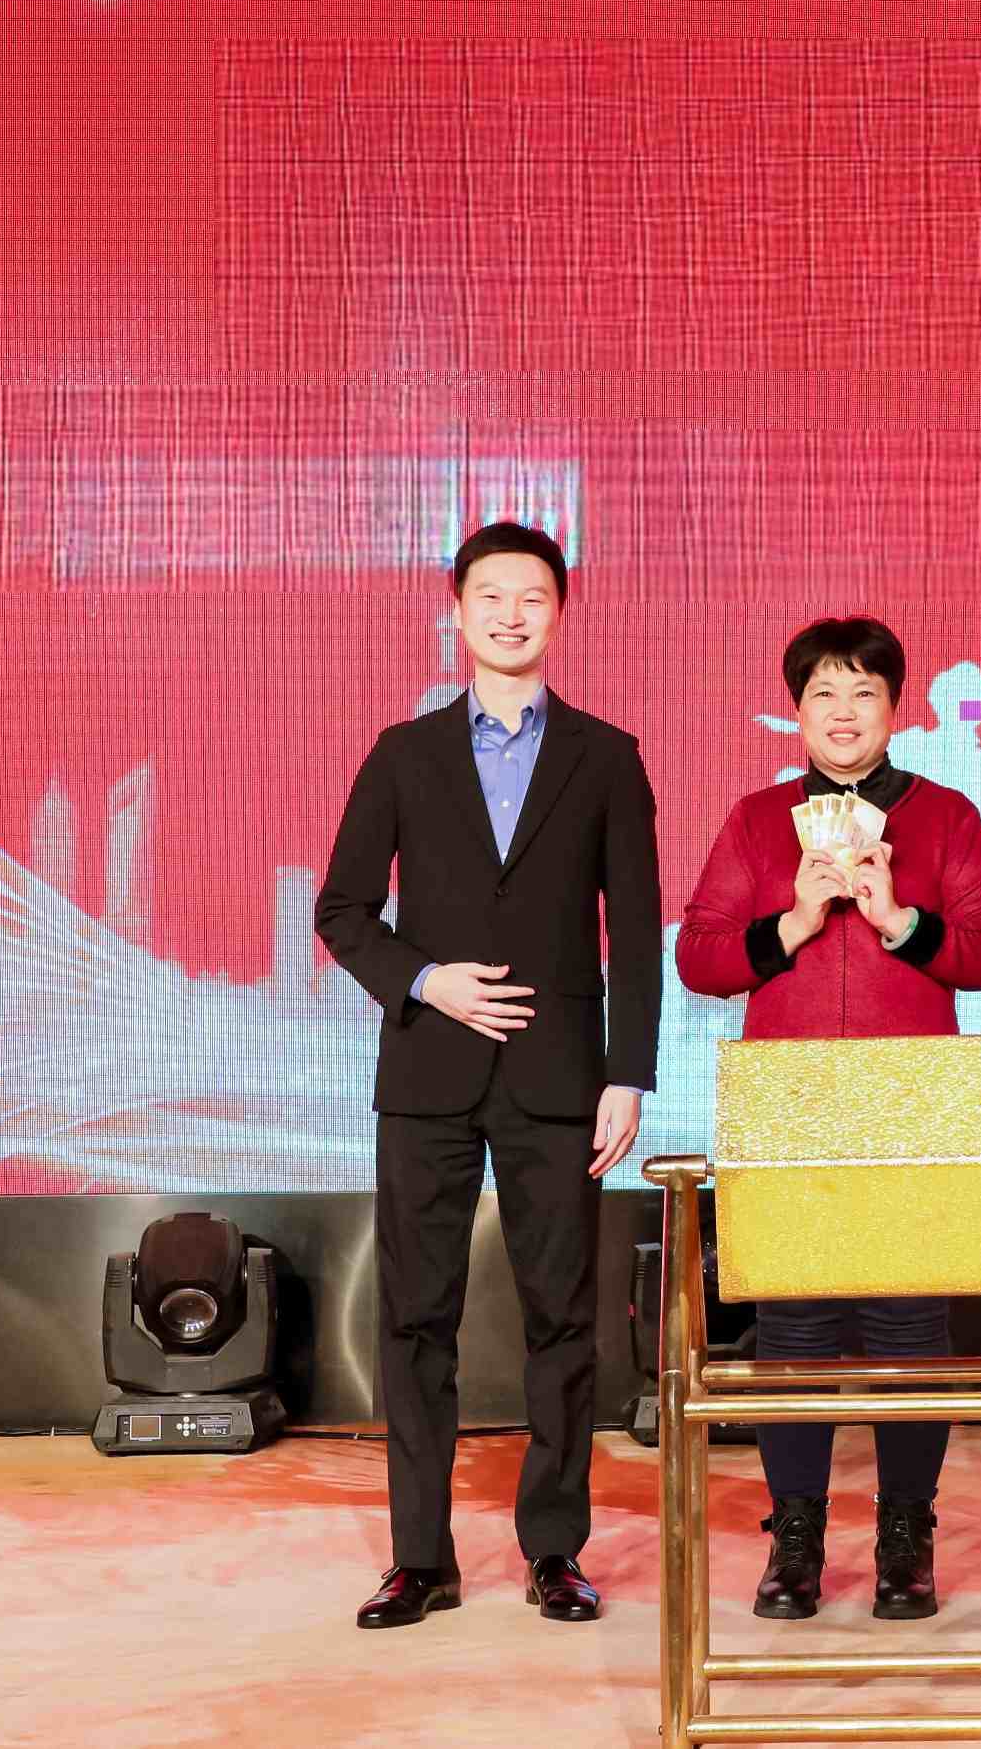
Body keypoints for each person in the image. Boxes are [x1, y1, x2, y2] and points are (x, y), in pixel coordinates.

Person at [315, 521, 662, 1632]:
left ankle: (555, 1549)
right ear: (457, 611)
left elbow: (635, 931)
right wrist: (427, 980)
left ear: (561, 612)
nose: (512, 615)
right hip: (428, 1074)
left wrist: (629, 1074)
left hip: (561, 1078)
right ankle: (419, 1558)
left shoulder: (607, 757)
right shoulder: (403, 752)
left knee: (564, 1317)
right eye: (491, 596)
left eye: (533, 597)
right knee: (416, 1317)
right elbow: (342, 910)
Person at [676, 617, 981, 1622]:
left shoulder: (944, 815)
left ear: (893, 710)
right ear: (797, 710)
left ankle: (907, 1535)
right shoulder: (757, 819)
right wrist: (790, 920)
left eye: (863, 692)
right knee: (794, 1323)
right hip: (787, 1105)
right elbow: (698, 957)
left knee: (911, 1321)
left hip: (911, 1100)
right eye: (823, 692)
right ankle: (796, 1537)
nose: (842, 711)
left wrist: (899, 921)